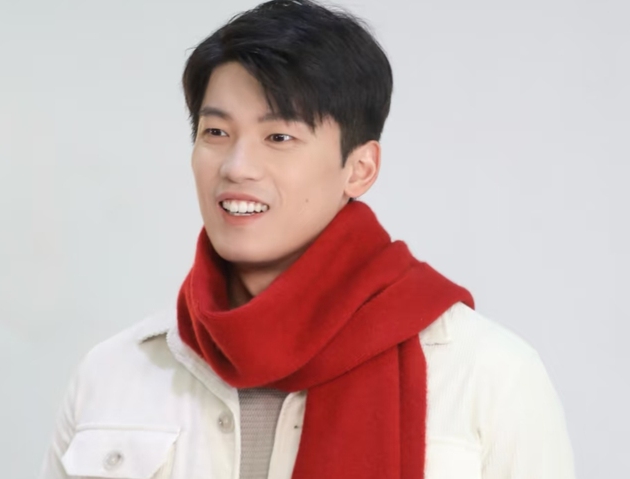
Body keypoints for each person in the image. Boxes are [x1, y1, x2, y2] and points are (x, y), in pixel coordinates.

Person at [39, 1, 575, 478]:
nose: (236, 166)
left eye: (279, 136)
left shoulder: (486, 375)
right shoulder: (113, 375)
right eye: (216, 132)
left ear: (360, 169)